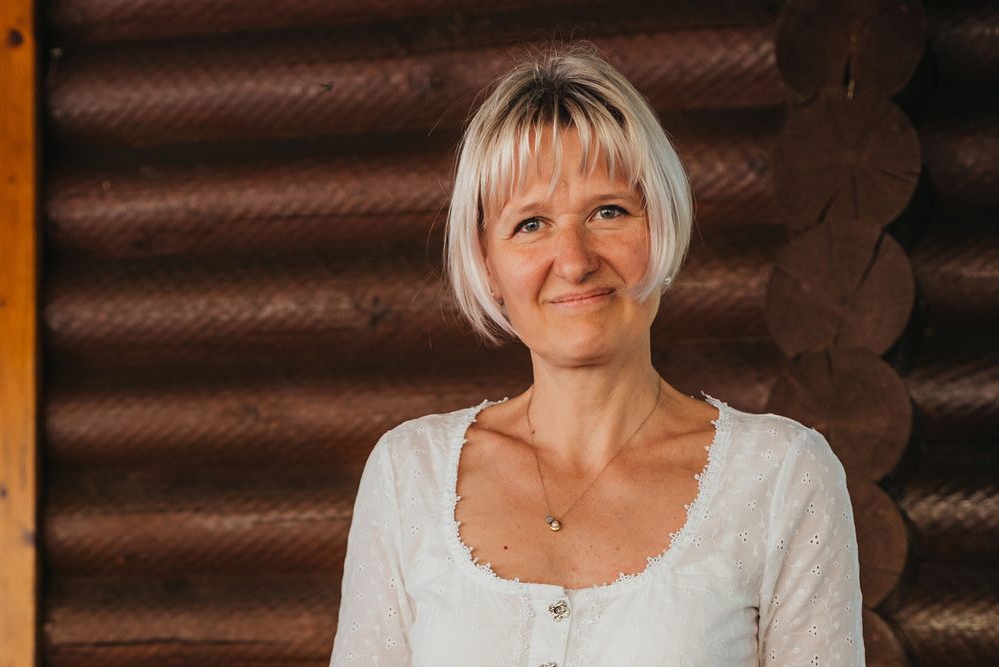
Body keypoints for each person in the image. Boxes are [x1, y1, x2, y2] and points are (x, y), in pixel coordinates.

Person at [329, 44, 864, 666]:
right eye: (530, 224)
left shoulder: (782, 476)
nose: (576, 260)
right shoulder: (406, 474)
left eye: (609, 212)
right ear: (487, 261)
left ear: (660, 225)